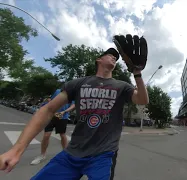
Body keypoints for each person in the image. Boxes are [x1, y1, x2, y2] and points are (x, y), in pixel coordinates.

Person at [0, 35, 149, 180]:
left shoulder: (122, 86)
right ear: (99, 59)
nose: (114, 58)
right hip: (72, 153)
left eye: (116, 58)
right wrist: (17, 150)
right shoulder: (78, 83)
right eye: (110, 55)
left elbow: (142, 100)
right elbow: (47, 109)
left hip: (103, 155)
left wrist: (137, 73)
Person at [30, 89, 75, 165]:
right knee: (46, 135)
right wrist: (47, 103)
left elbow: (73, 105)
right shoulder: (58, 91)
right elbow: (51, 100)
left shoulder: (73, 93)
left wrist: (64, 111)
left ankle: (66, 155)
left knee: (62, 135)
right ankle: (42, 155)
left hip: (62, 116)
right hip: (51, 115)